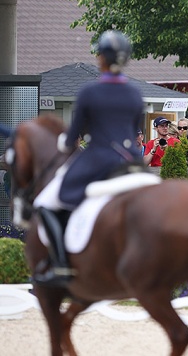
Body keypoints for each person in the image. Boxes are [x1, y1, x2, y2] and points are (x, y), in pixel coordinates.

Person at [33, 30, 144, 286]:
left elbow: (72, 138)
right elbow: (133, 128)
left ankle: (61, 267)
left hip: (99, 159)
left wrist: (63, 141)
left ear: (103, 59)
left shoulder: (90, 92)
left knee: (46, 202)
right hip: (133, 162)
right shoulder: (135, 94)